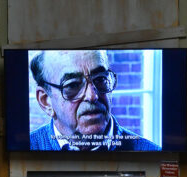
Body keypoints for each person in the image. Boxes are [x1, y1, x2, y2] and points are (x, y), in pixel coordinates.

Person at [29, 50, 159, 151]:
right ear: (46, 101)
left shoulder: (153, 154)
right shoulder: (27, 149)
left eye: (100, 79)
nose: (92, 96)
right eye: (73, 85)